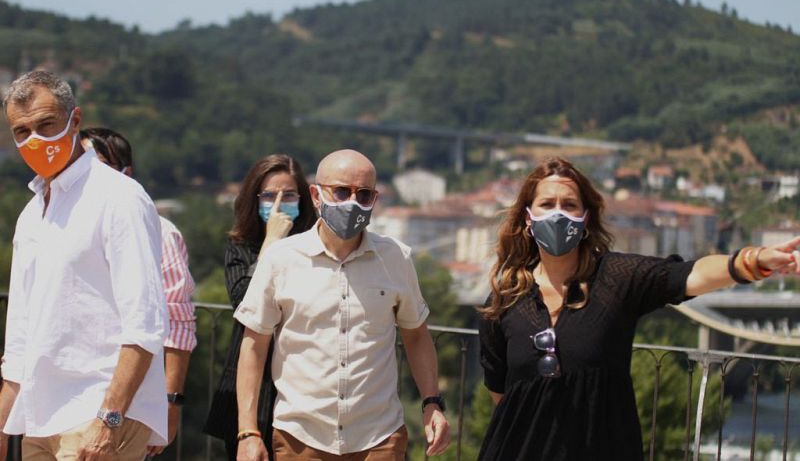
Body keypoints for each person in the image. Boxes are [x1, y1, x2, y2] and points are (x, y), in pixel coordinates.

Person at [477, 156, 800, 461]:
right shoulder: (506, 298)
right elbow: (501, 395)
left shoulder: (618, 279)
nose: (558, 214)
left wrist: (753, 261)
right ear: (527, 218)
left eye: (570, 204)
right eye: (547, 204)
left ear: (585, 218)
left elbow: (692, 274)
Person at [234, 149, 450, 460]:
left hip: (379, 438)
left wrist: (432, 403)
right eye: (341, 191)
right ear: (316, 194)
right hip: (300, 438)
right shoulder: (281, 259)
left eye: (363, 195)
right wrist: (248, 432)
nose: (352, 202)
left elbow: (416, 335)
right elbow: (254, 345)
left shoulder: (396, 258)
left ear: (374, 199)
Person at [0, 70, 168, 460]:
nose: (35, 140)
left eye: (46, 125)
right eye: (22, 132)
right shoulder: (32, 214)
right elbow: (22, 337)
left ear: (75, 120)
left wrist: (108, 420)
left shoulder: (119, 198)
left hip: (100, 416)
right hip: (41, 417)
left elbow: (144, 324)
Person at [79, 126, 198, 457]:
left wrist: (171, 403)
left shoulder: (161, 232)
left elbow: (177, 322)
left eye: (98, 163)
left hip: (126, 402)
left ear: (125, 173)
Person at [203, 154, 316, 460]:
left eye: (289, 194)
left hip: (300, 384)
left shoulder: (314, 247)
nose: (279, 202)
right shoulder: (241, 245)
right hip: (251, 385)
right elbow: (243, 300)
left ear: (303, 199)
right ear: (255, 199)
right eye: (269, 194)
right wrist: (271, 244)